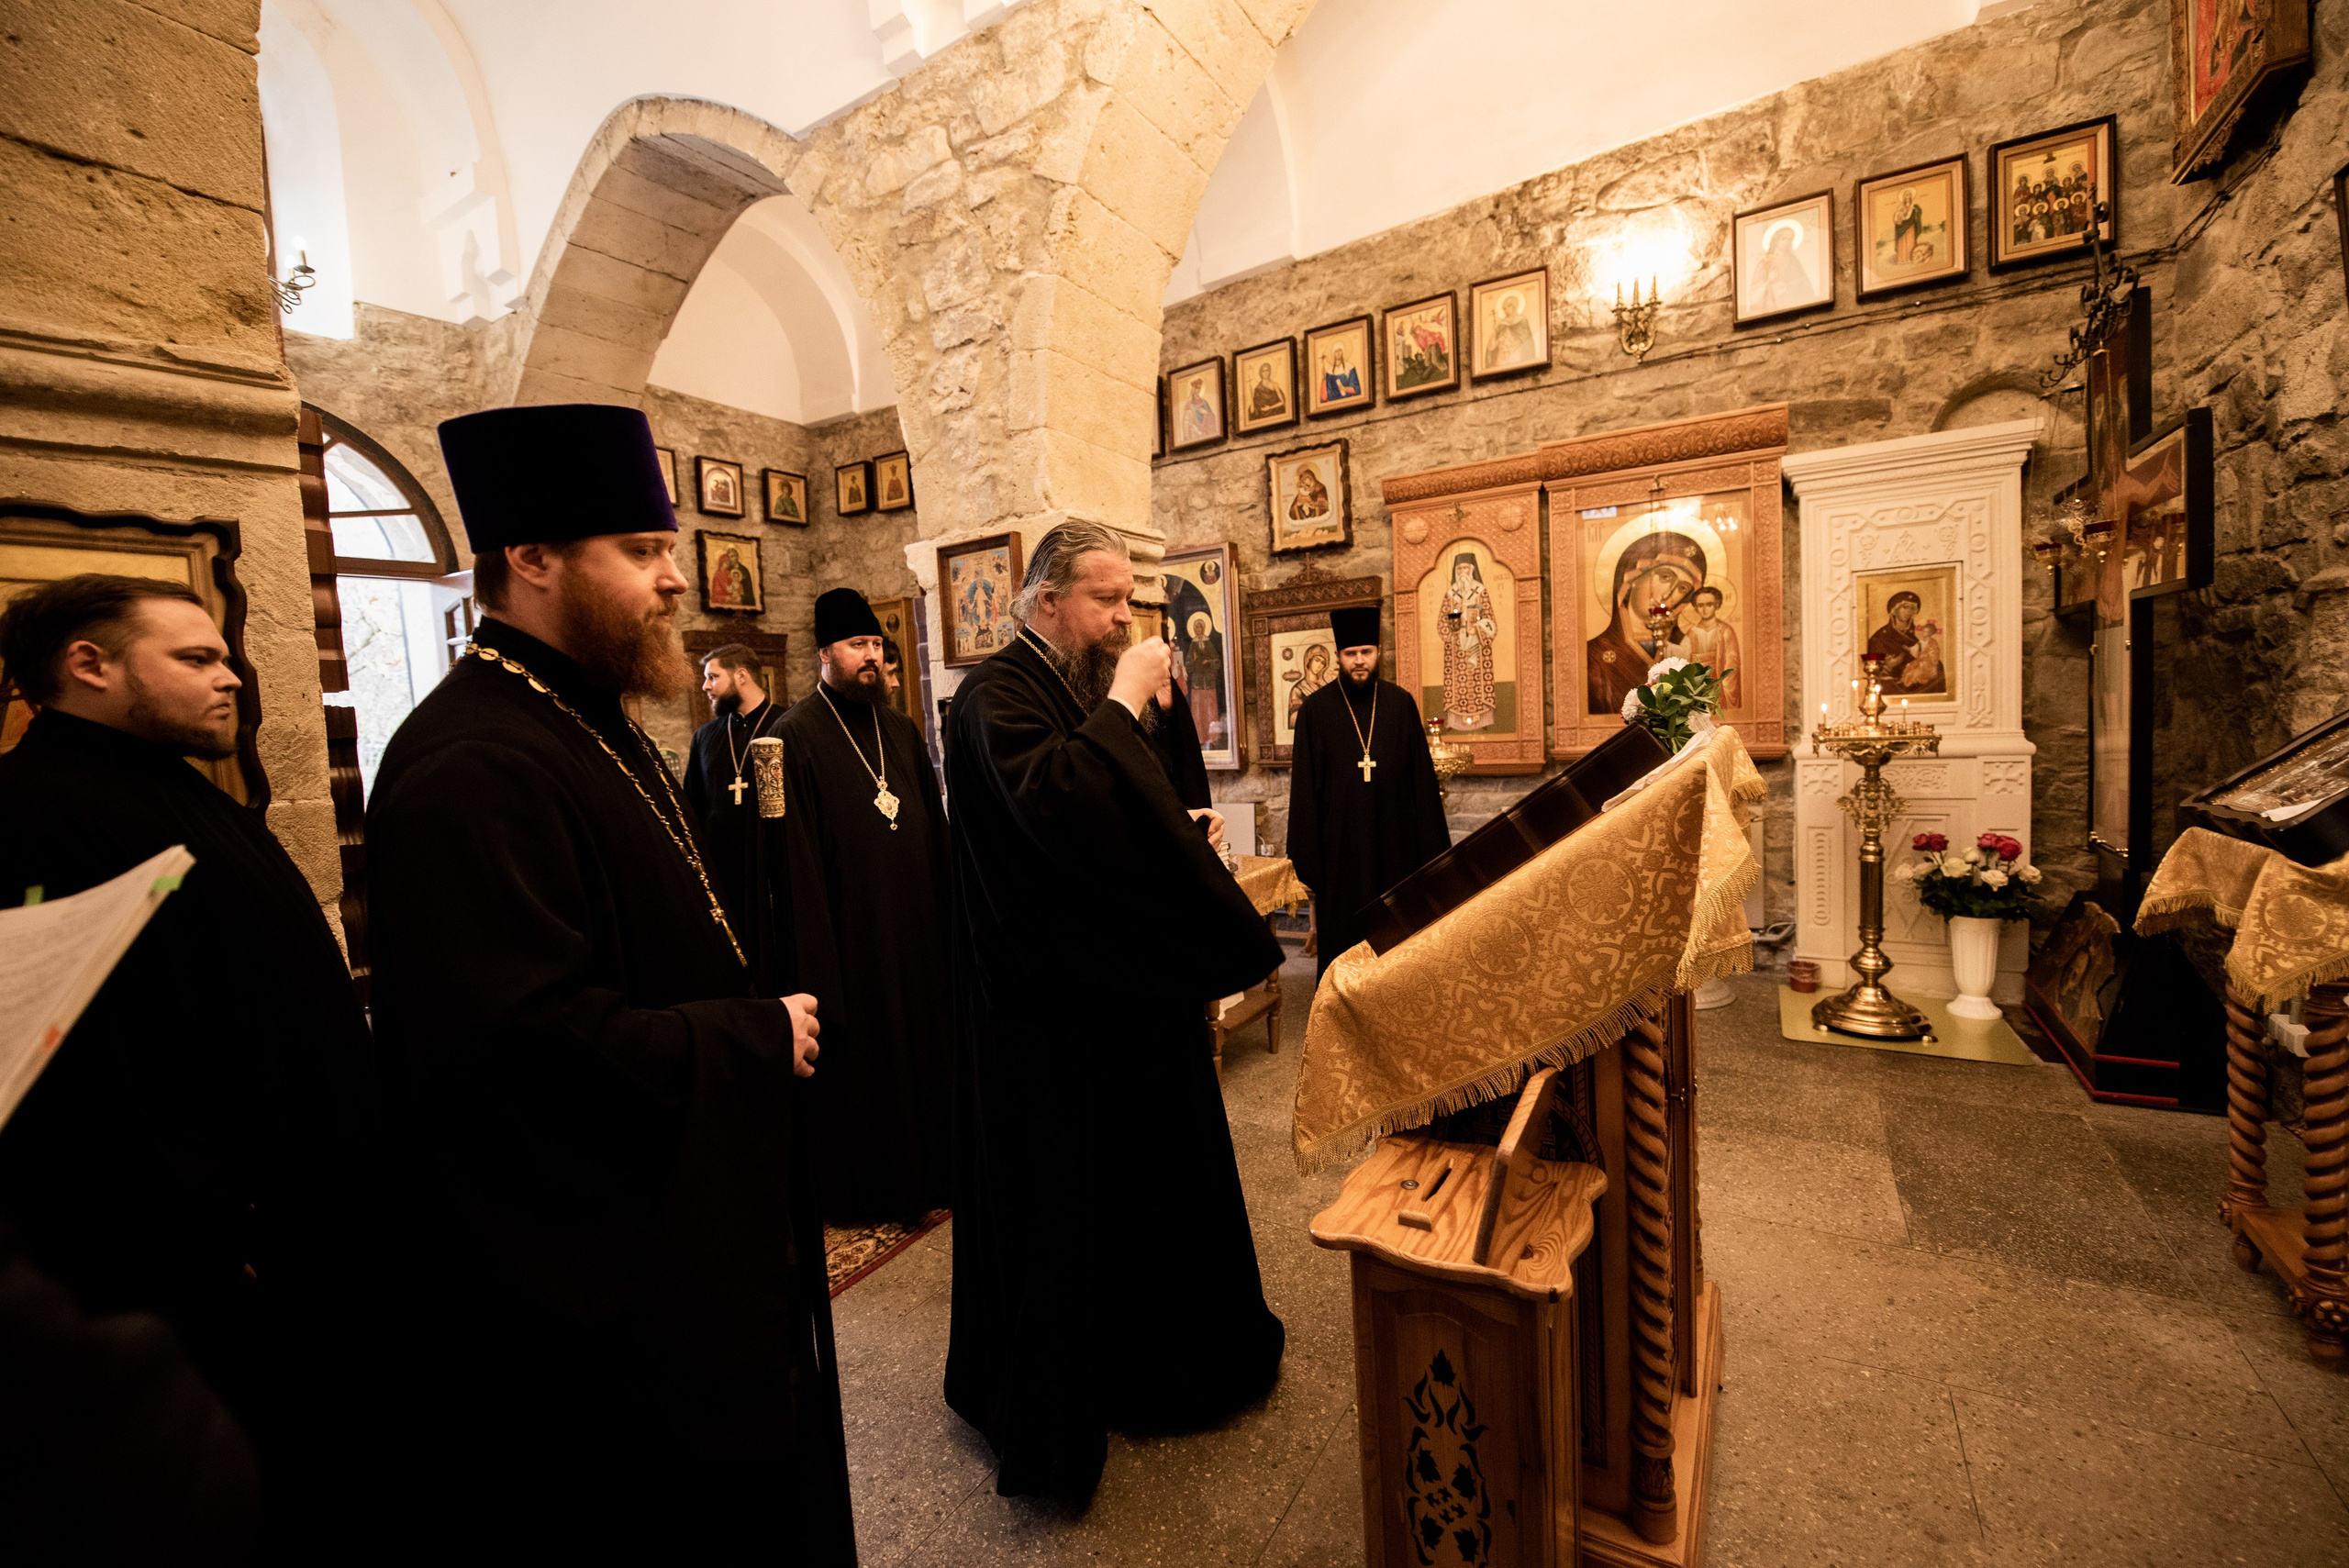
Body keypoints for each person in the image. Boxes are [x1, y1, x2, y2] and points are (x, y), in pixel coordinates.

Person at [363, 403, 852, 1556]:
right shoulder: (471, 762)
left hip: (690, 1251)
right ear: (531, 559)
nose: (677, 580)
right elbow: (519, 1048)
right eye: (640, 551)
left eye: (668, 548)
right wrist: (750, 1035)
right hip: (608, 1312)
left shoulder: (588, 718)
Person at [0, 573, 379, 1531]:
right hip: (210, 1261)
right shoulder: (36, 811)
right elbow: (93, 1062)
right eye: (197, 657)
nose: (234, 677)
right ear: (89, 664)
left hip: (296, 1227)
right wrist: (214, 1230)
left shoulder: (168, 783)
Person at [941, 521, 1285, 1499]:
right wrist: (1131, 695)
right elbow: (1051, 804)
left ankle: (1159, 1366)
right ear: (1046, 602)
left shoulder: (1069, 688)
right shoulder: (991, 695)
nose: (1124, 619)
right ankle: (1066, 1399)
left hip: (1115, 996)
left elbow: (1099, 823)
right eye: (1106, 600)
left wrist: (1174, 823)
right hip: (1043, 1013)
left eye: (1130, 601)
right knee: (1065, 1205)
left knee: (1144, 1188)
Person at [772, 588, 954, 1224]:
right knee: (875, 1071)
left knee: (924, 1054)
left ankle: (934, 1176)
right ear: (824, 654)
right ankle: (878, 1190)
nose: (871, 657)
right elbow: (794, 860)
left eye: (876, 644)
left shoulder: (900, 729)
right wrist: (820, 969)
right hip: (853, 941)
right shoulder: (793, 736)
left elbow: (933, 826)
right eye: (857, 646)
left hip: (916, 931)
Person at [1286, 603, 1452, 980]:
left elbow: (1422, 784)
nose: (1359, 661)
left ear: (1378, 653)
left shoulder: (1400, 703)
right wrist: (1309, 858)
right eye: (1350, 654)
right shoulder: (1315, 710)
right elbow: (1304, 790)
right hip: (1339, 850)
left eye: (1366, 652)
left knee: (1398, 947)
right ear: (1338, 657)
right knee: (1343, 949)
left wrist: (1433, 854)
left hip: (1397, 848)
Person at [682, 643, 783, 921]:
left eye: (713, 677)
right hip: (723, 873)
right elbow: (693, 806)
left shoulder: (787, 726)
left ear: (741, 676)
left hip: (775, 872)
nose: (705, 686)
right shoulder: (705, 736)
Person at [1438, 553, 1499, 731]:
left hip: (1478, 649)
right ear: (1455, 572)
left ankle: (1483, 721)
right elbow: (1442, 622)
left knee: (1477, 683)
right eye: (1459, 569)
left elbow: (1491, 620)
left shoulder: (1480, 591)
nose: (1463, 573)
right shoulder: (1450, 595)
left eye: (1466, 569)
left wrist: (1477, 629)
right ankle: (1455, 721)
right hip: (1456, 650)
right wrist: (1452, 634)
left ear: (1472, 571)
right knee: (1457, 685)